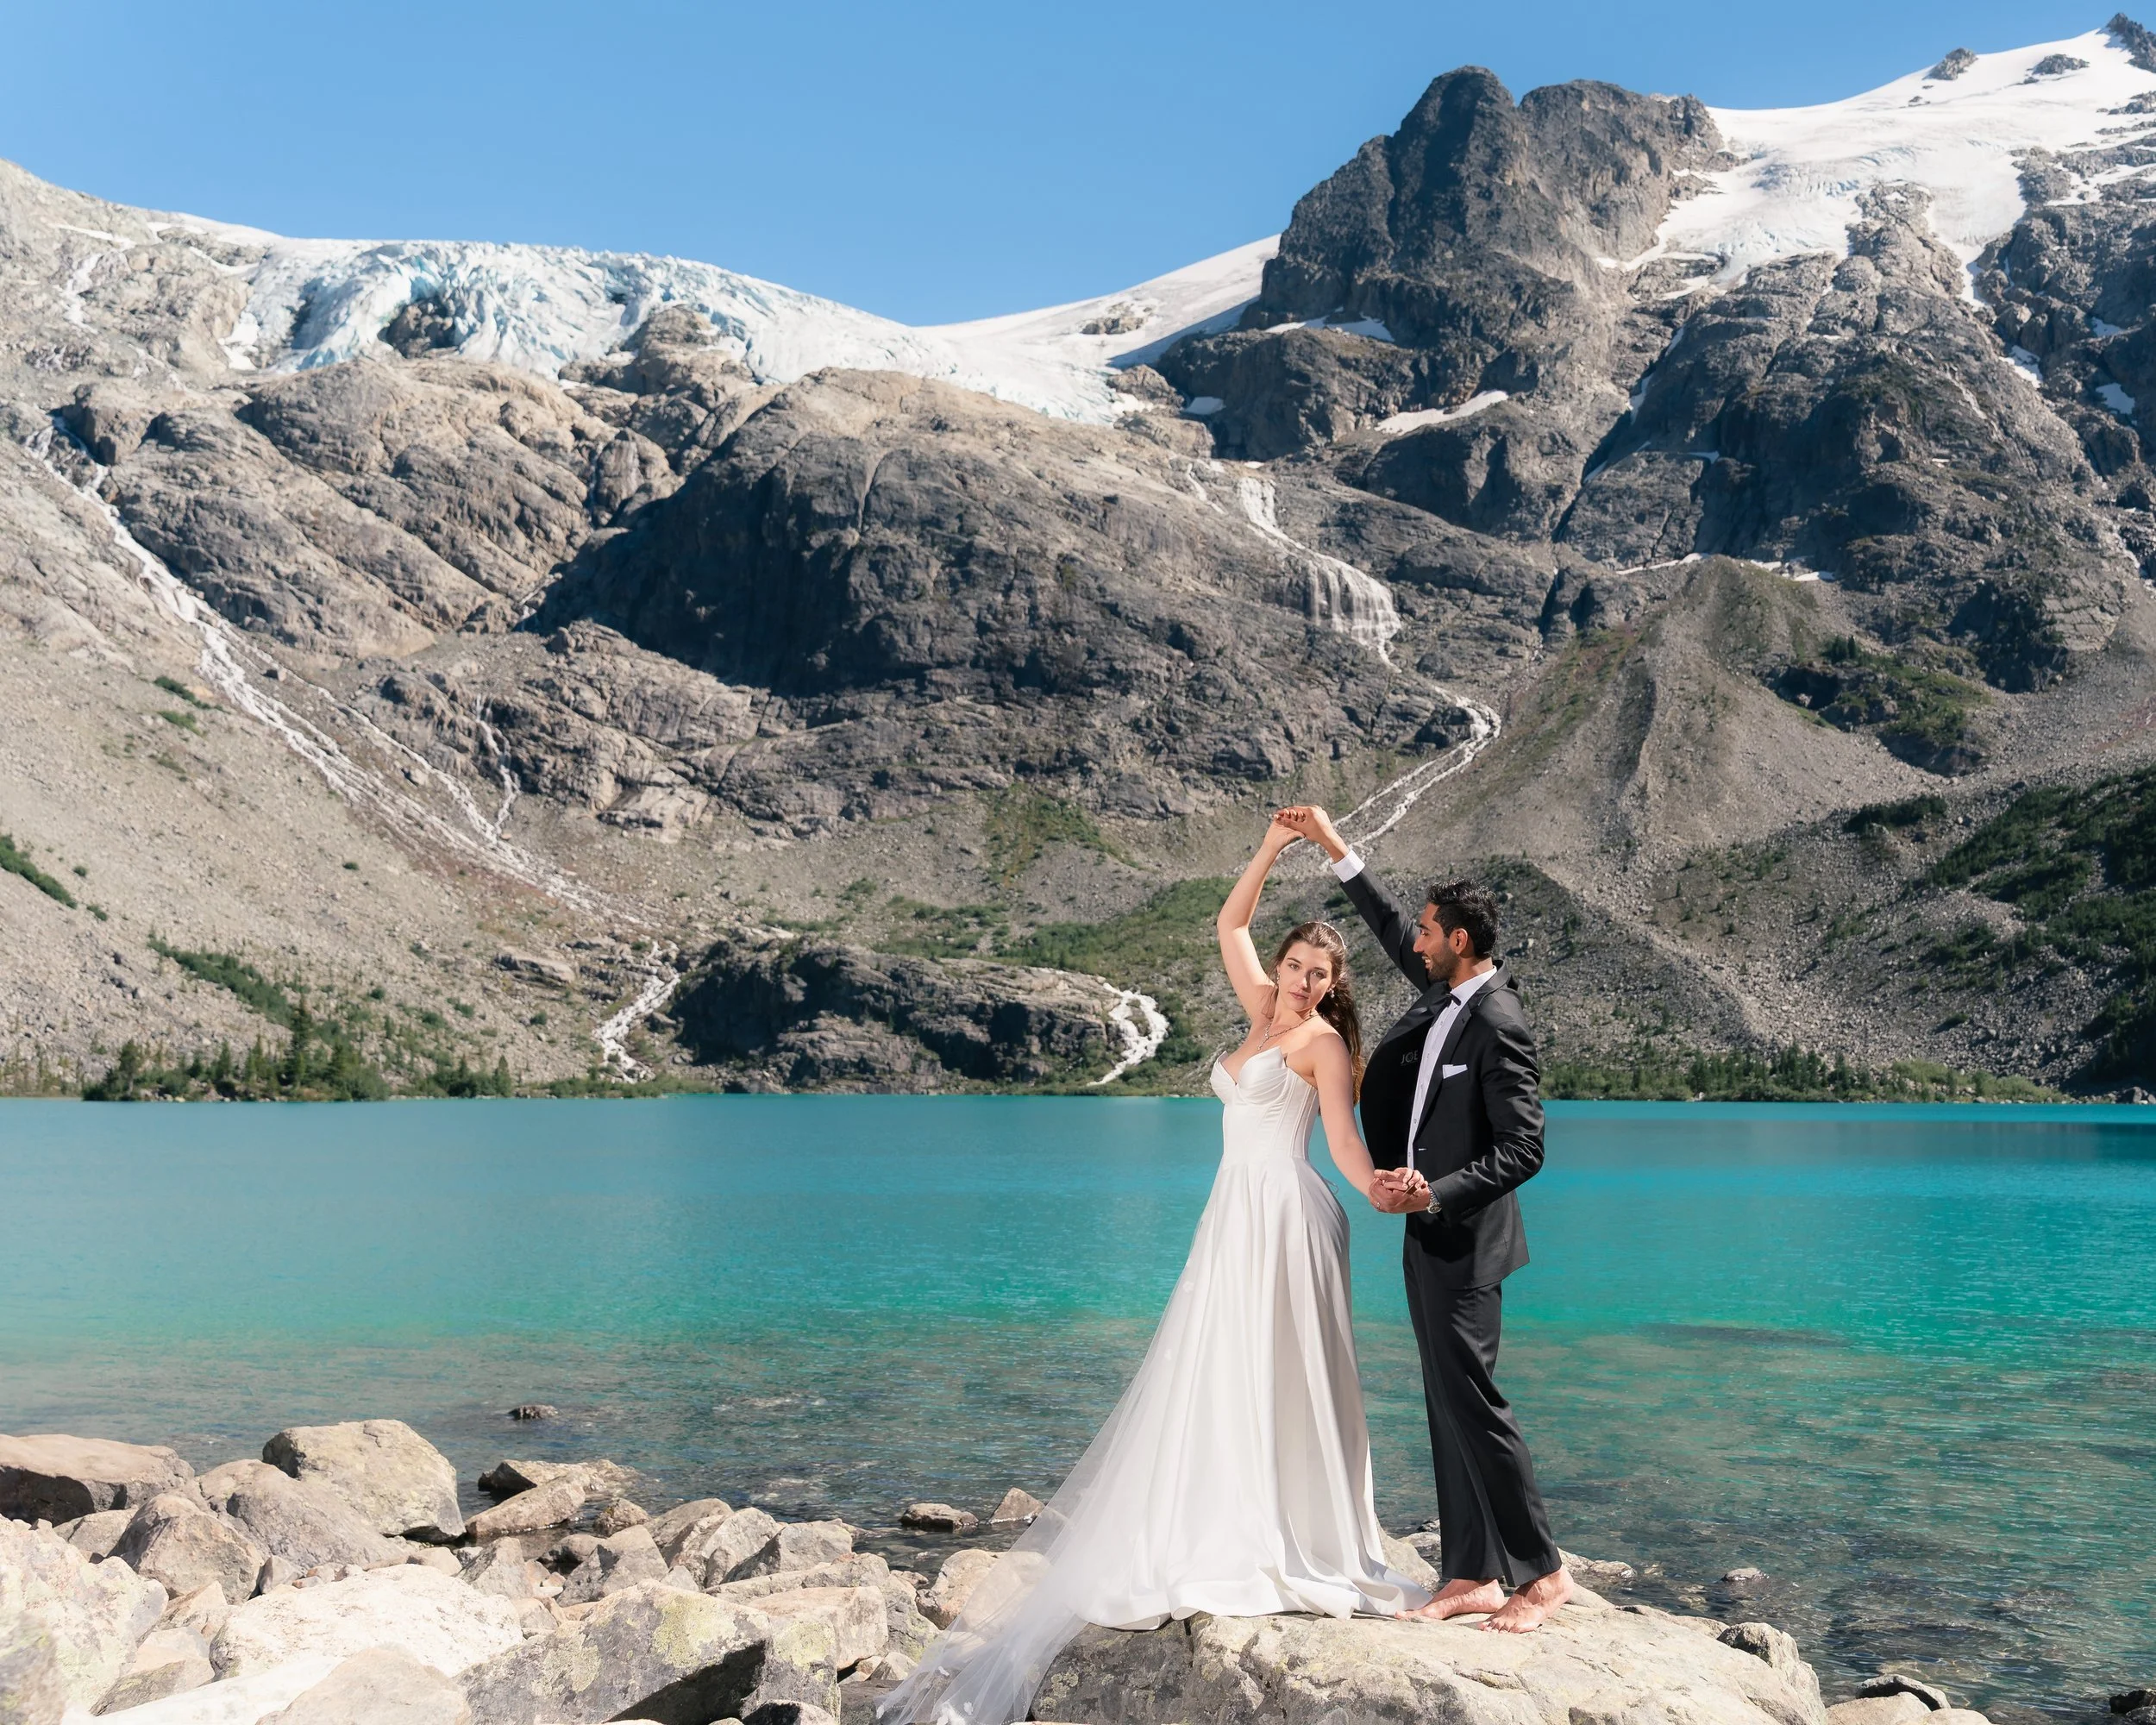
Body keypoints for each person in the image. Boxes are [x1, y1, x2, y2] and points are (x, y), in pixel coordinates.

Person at [881, 813, 1428, 1725]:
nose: (1301, 980)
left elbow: (1340, 1142)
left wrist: (1382, 1187)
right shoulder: (1260, 1012)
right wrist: (1267, 848)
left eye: (1319, 974)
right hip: (1231, 1214)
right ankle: (1220, 1511)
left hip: (1283, 1214)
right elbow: (1226, 927)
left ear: (1334, 988)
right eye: (1296, 965)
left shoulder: (1319, 1044)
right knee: (1214, 1365)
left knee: (1273, 1371)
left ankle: (1284, 1529)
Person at [1275, 804, 1571, 1634]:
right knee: (1445, 1402)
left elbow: (1525, 1149)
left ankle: (1542, 1573)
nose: (1420, 941)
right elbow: (1389, 923)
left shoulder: (1499, 1022)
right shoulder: (1445, 991)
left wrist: (1437, 1192)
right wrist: (1337, 849)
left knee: (1476, 1401)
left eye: (1433, 933)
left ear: (1463, 944)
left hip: (1466, 1242)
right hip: (1425, 1232)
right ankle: (1472, 1569)